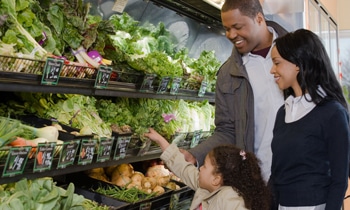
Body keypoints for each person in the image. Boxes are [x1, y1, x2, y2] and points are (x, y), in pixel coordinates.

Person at [181, 0, 288, 182]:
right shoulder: (227, 74)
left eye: (237, 27)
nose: (231, 35)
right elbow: (227, 130)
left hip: (301, 178)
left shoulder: (298, 51)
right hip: (258, 181)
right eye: (227, 28)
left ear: (259, 18)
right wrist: (195, 155)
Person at [269, 29, 350, 210]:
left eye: (277, 63)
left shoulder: (332, 113)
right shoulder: (283, 112)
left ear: (297, 63)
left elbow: (340, 180)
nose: (272, 70)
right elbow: (277, 174)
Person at [144, 128, 271, 210]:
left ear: (216, 179)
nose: (200, 169)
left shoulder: (228, 197)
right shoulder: (205, 187)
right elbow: (184, 168)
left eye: (204, 165)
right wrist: (161, 141)